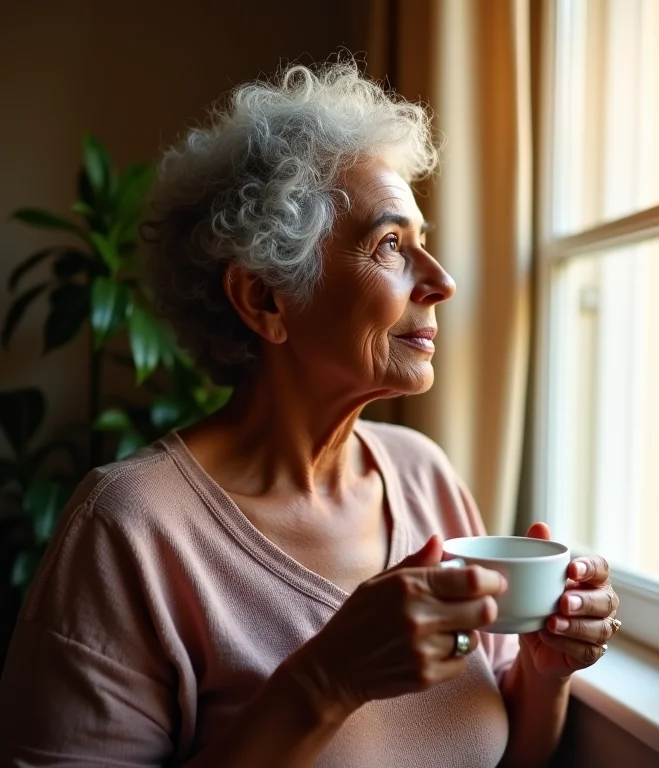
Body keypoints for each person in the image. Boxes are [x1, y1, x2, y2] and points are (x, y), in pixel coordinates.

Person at [0, 62, 619, 767]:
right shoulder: (129, 527)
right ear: (264, 298)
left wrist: (545, 671)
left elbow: (511, 758)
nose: (441, 281)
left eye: (423, 240)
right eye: (391, 245)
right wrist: (327, 680)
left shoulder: (424, 476)